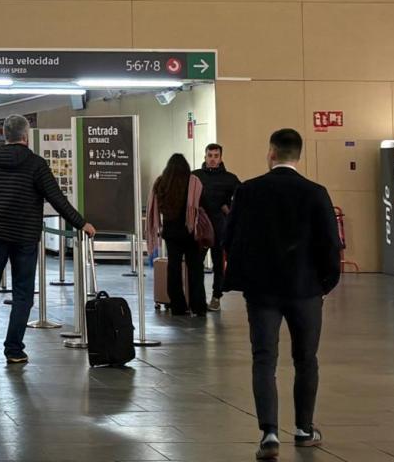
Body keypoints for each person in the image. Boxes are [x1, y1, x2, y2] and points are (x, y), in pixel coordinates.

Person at [223, 129, 341, 460]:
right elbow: (331, 244)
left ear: (271, 152)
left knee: (264, 358)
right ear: (298, 156)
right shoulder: (316, 192)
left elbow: (229, 237)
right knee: (306, 360)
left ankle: (269, 434)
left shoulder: (248, 191)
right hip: (305, 291)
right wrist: (325, 283)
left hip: (262, 291)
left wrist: (243, 274)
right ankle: (304, 429)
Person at [0, 115, 95, 364]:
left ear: (4, 134)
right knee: (23, 292)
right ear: (26, 136)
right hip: (26, 236)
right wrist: (82, 223)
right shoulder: (36, 164)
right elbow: (57, 198)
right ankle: (14, 349)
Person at [146, 153, 208, 316]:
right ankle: (198, 306)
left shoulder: (161, 183)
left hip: (171, 233)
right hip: (190, 232)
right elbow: (202, 204)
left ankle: (177, 306)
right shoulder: (194, 182)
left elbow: (156, 206)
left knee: (174, 268)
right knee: (195, 269)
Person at [193, 143, 241, 312]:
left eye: (216, 156)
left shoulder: (230, 178)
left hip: (220, 228)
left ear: (221, 158)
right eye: (210, 155)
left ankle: (216, 297)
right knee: (196, 263)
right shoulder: (195, 177)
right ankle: (197, 297)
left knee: (218, 264)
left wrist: (228, 210)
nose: (213, 159)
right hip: (200, 227)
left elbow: (241, 199)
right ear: (205, 156)